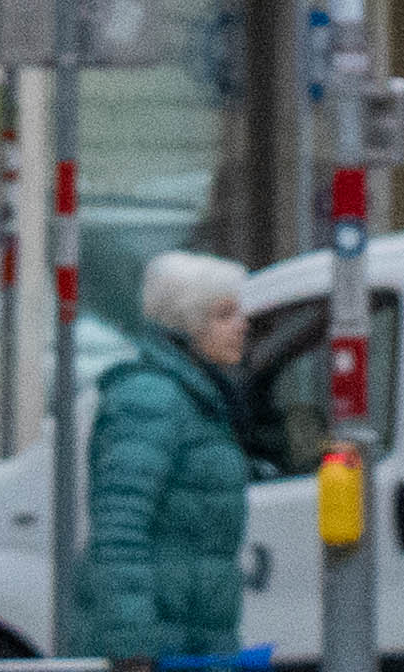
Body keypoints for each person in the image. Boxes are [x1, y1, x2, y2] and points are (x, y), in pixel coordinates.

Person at [68, 252, 257, 669]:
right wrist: (133, 647)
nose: (243, 325)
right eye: (225, 314)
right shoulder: (151, 399)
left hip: (192, 643)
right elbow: (120, 528)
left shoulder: (201, 400)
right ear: (187, 326)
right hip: (155, 650)